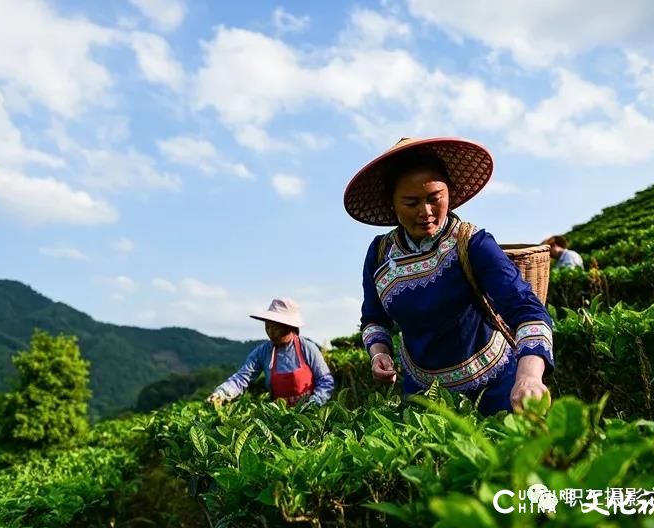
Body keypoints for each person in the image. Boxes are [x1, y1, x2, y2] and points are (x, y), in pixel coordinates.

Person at [343, 137, 554, 415]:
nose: (426, 212)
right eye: (411, 202)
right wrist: (379, 353)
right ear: (392, 204)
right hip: (422, 396)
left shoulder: (472, 242)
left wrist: (528, 375)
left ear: (449, 194)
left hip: (492, 388)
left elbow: (525, 308)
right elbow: (373, 319)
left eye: (434, 199)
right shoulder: (380, 254)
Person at [206, 298, 334, 407]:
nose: (270, 332)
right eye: (267, 327)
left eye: (276, 328)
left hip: (310, 416)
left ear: (289, 327)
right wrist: (221, 394)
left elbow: (325, 380)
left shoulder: (307, 348)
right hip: (279, 419)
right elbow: (241, 378)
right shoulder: (262, 352)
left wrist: (313, 404)